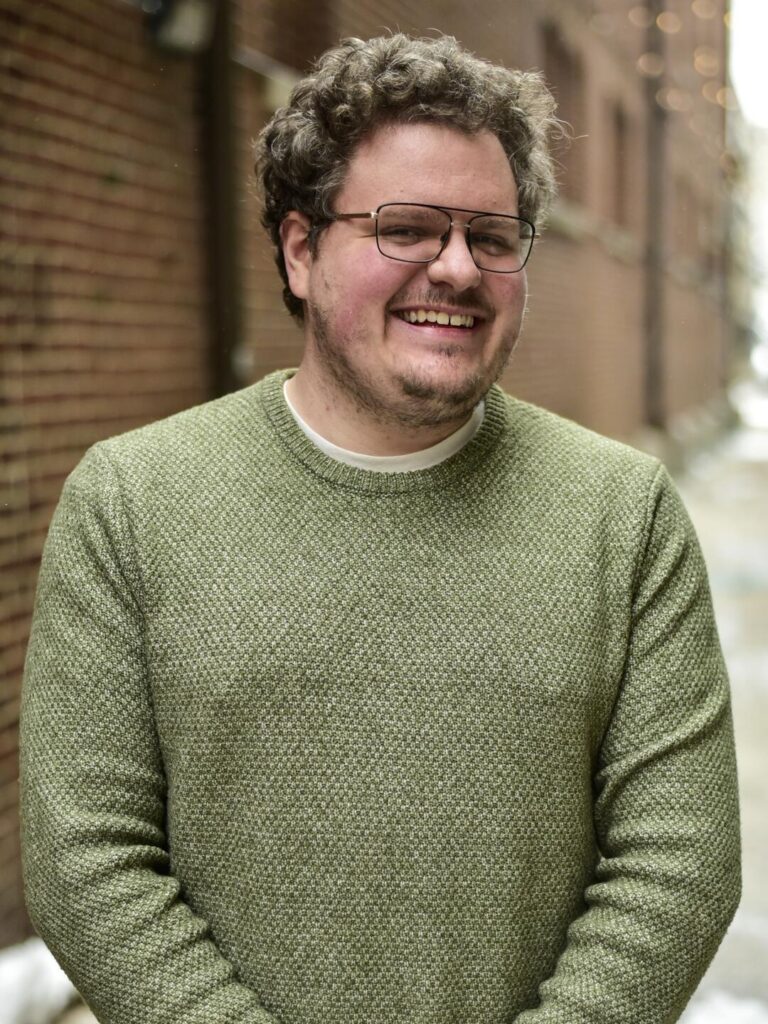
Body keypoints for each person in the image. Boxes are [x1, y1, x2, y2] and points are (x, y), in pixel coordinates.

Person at [21, 32, 740, 1024]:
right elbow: (86, 854)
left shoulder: (625, 516)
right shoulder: (134, 503)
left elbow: (679, 863)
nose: (457, 267)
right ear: (301, 249)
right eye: (408, 227)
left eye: (493, 236)